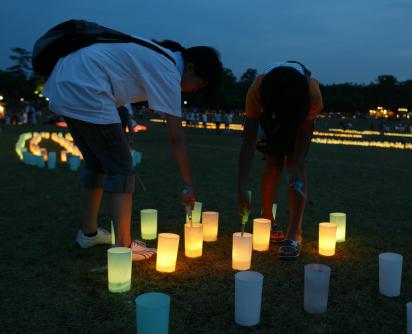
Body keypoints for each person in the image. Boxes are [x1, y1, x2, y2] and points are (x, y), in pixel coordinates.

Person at [42, 38, 222, 261]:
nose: (195, 90)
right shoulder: (169, 71)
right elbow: (176, 137)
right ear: (192, 67)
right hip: (87, 87)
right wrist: (188, 184)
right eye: (200, 83)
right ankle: (124, 248)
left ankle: (89, 234)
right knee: (122, 169)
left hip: (67, 81)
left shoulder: (161, 57)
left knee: (97, 164)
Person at [237, 61, 323, 259]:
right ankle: (267, 218)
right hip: (271, 118)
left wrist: (296, 165)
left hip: (297, 116)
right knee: (273, 165)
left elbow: (303, 136)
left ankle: (294, 234)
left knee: (295, 166)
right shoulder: (257, 91)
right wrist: (241, 188)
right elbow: (248, 142)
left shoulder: (312, 95)